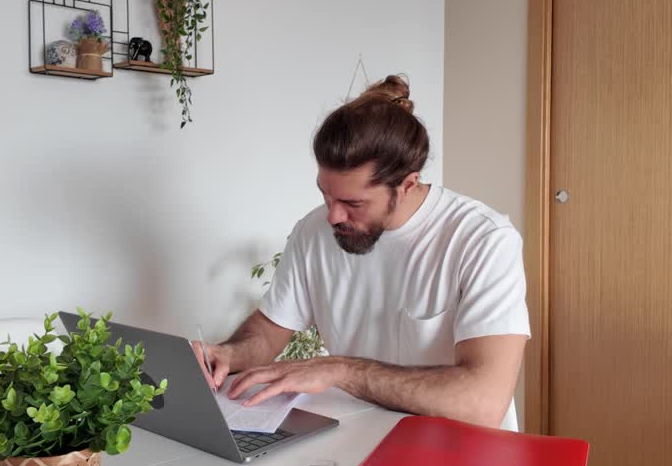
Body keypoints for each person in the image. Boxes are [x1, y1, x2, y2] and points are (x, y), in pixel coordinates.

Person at [195, 75, 530, 430]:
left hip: (463, 452)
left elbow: (483, 402)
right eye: (326, 195)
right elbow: (268, 330)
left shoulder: (483, 240)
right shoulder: (314, 232)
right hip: (359, 441)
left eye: (353, 203)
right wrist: (229, 354)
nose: (333, 216)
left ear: (407, 185)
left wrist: (340, 369)